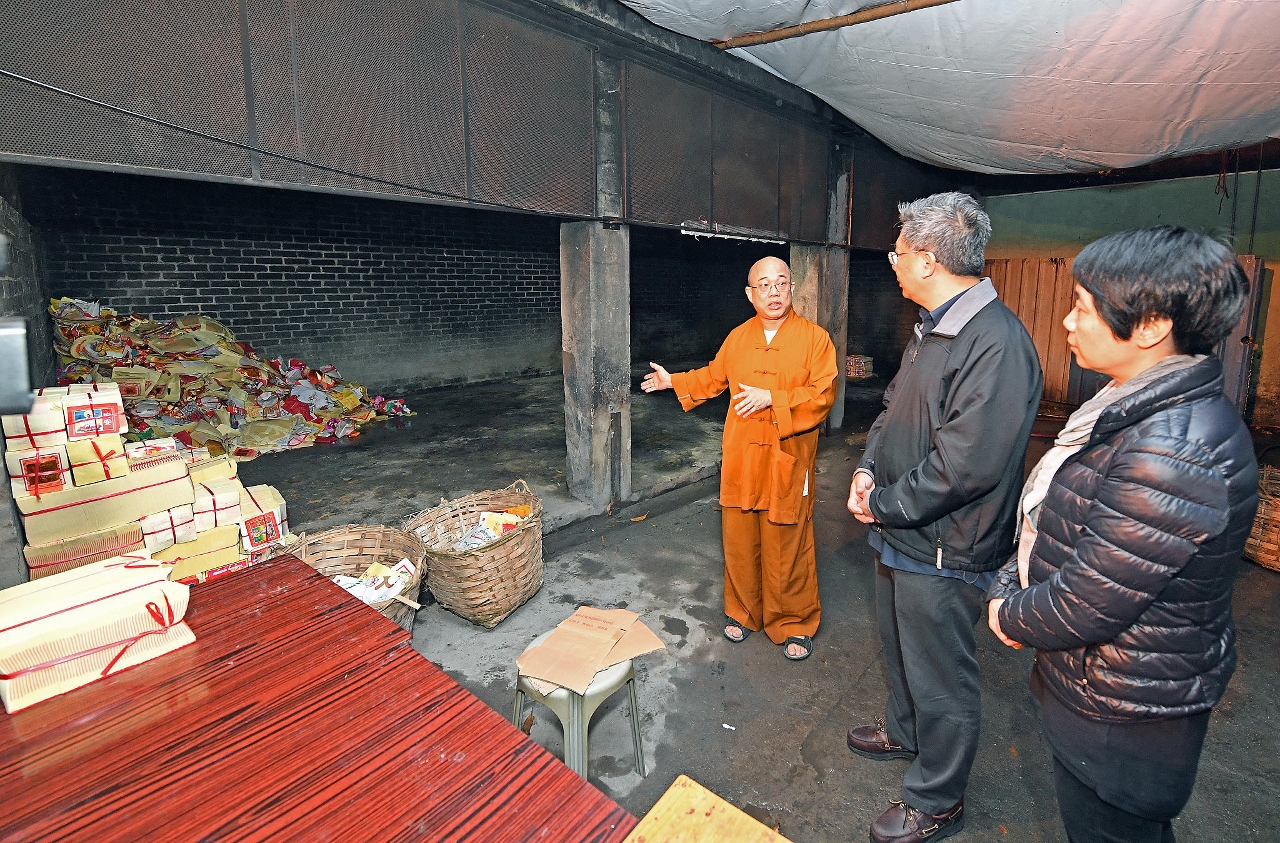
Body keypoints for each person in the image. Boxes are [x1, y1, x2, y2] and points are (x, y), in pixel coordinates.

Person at [987, 226, 1258, 843]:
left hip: (1124, 717)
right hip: (1102, 688)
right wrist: (1014, 575)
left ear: (1150, 326)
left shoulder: (1172, 451)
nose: (1066, 321)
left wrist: (1008, 614)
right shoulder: (1133, 405)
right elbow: (1052, 518)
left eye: (1083, 307)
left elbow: (1088, 596)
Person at [846, 192, 1042, 843]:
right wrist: (868, 467)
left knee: (942, 676)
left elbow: (966, 467)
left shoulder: (997, 343)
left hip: (946, 544)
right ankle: (906, 733)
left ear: (928, 259)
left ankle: (939, 797)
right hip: (904, 531)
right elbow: (893, 408)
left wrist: (881, 502)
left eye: (900, 251)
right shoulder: (935, 325)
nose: (893, 261)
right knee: (902, 652)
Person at [642, 256, 837, 661]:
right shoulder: (738, 337)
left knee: (788, 540)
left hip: (787, 459)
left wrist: (774, 398)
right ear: (750, 294)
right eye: (763, 285)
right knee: (740, 536)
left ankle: (794, 621)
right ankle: (744, 611)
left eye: (780, 283)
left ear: (791, 288)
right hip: (743, 457)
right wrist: (673, 380)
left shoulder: (815, 339)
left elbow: (823, 393)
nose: (773, 292)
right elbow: (714, 376)